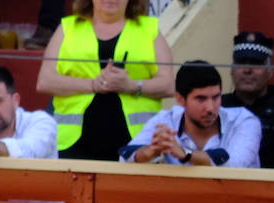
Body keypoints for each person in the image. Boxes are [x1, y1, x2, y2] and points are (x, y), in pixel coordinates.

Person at [35, 0, 173, 161]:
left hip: (137, 146)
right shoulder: (68, 27)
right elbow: (45, 81)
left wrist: (132, 86)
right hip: (71, 145)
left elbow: (168, 84)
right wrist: (92, 84)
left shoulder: (149, 29)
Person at [121, 60, 261, 169]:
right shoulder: (166, 120)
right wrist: (151, 151)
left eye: (216, 97)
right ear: (180, 99)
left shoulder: (244, 121)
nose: (210, 108)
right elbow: (124, 159)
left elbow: (235, 164)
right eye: (201, 99)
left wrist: (186, 154)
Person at [223, 31, 274, 169]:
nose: (247, 70)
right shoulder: (219, 107)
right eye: (241, 63)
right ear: (232, 70)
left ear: (270, 71)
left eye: (255, 63)